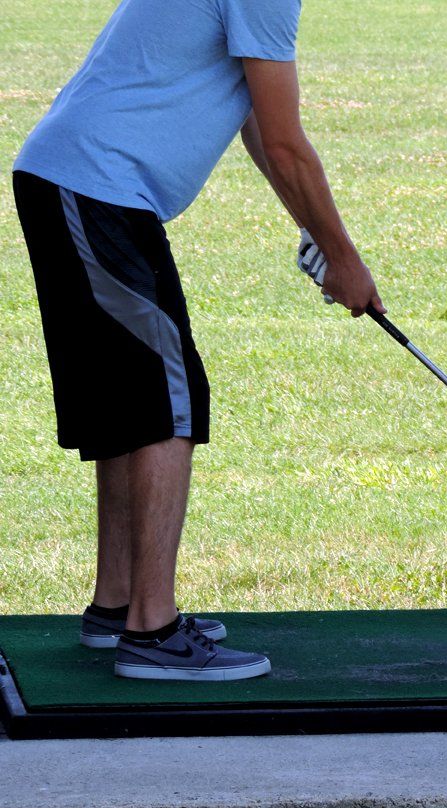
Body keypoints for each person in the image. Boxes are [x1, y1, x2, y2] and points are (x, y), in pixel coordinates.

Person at [11, 0, 383, 681]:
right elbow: (285, 143)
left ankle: (117, 605)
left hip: (72, 177)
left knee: (133, 398)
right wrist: (345, 259)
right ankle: (152, 633)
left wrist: (316, 235)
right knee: (167, 400)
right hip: (98, 185)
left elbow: (252, 119)